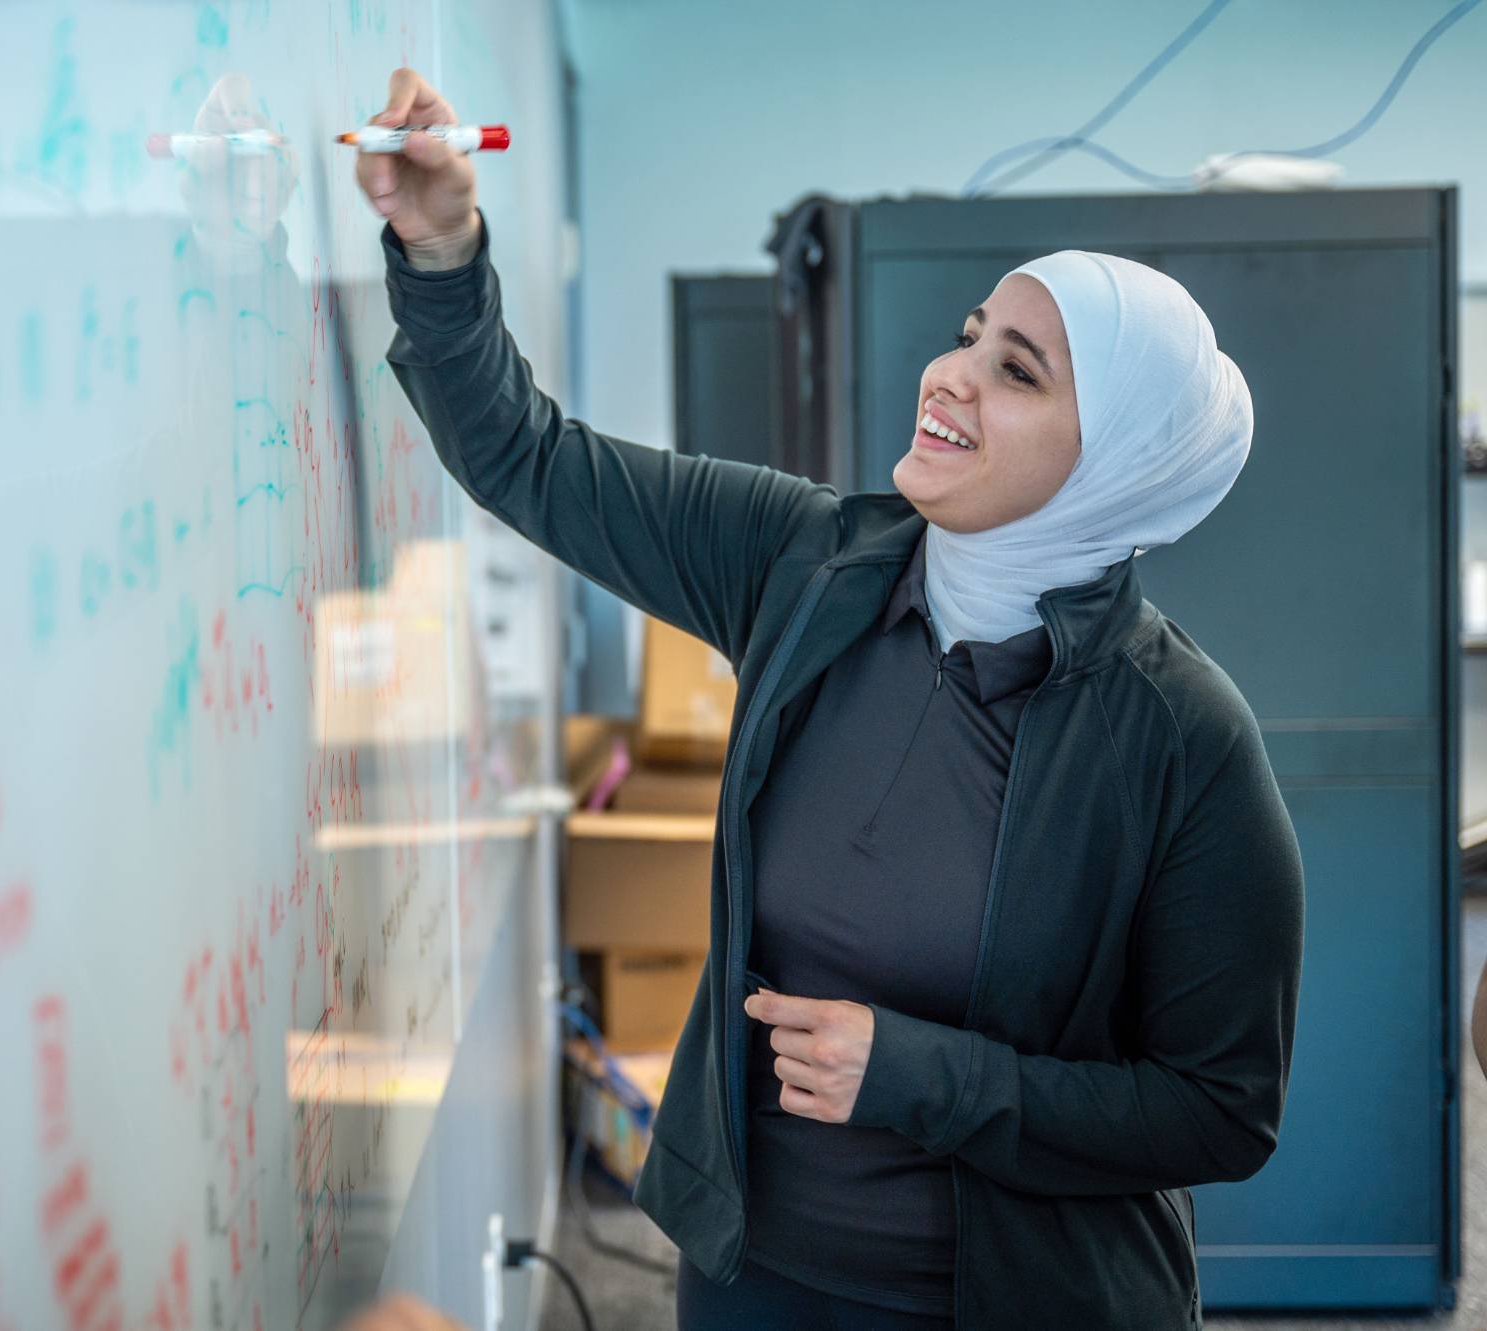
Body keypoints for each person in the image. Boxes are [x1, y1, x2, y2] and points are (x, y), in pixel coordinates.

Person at [356, 67, 1303, 1331]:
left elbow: (1217, 1106)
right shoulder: (805, 561)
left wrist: (919, 1076)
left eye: (1015, 371)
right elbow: (526, 456)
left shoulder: (1181, 735)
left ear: (1115, 464)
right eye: (969, 333)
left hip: (1013, 1304)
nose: (950, 373)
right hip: (754, 1276)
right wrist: (439, 244)